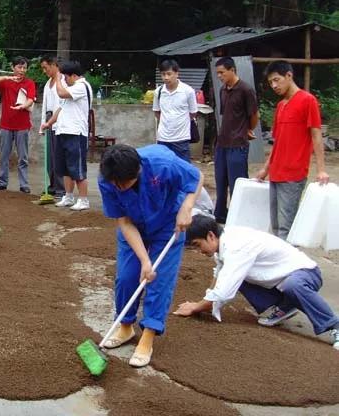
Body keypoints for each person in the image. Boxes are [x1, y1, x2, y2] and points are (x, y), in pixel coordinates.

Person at [98, 144, 203, 367]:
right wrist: (145, 261)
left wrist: (187, 206)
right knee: (127, 277)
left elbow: (196, 176)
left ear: (138, 171)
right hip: (133, 225)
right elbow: (124, 222)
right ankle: (125, 327)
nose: (120, 188)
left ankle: (148, 337)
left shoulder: (163, 163)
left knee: (160, 280)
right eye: (116, 184)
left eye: (124, 183)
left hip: (168, 226)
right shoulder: (107, 179)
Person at [175, 215, 339, 350]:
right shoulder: (224, 240)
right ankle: (285, 307)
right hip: (281, 279)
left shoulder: (236, 247)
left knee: (292, 286)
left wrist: (196, 307)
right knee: (234, 276)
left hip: (306, 274)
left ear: (211, 235)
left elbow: (223, 293)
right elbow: (219, 274)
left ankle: (335, 326)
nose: (199, 251)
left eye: (198, 245)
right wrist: (202, 300)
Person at [255, 60, 330, 239]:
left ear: (289, 76)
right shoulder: (281, 106)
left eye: (277, 80)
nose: (274, 85)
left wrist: (321, 170)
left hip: (293, 174)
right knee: (275, 226)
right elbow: (277, 141)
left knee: (286, 229)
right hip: (276, 172)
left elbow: (316, 136)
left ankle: (289, 265)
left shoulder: (307, 100)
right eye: (271, 82)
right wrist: (266, 168)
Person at [40, 61, 93, 211]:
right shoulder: (70, 88)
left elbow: (61, 93)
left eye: (65, 77)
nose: (64, 80)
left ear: (74, 76)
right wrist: (48, 123)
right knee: (64, 168)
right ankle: (68, 196)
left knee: (77, 169)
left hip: (76, 133)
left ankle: (83, 200)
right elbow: (60, 109)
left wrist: (57, 79)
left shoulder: (81, 86)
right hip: (62, 131)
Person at [213, 57, 259, 223]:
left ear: (232, 70)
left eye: (222, 72)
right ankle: (220, 215)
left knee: (236, 183)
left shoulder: (246, 90)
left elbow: (254, 116)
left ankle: (238, 216)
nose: (219, 76)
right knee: (220, 181)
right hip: (222, 143)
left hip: (238, 144)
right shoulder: (223, 90)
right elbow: (226, 115)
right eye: (217, 73)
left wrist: (247, 130)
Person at [0, 56, 37, 193]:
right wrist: (8, 78)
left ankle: (24, 184)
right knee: (4, 155)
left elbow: (30, 100)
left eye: (24, 67)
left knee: (23, 157)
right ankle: (2, 182)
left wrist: (22, 106)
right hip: (6, 125)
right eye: (19, 67)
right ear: (13, 68)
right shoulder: (6, 82)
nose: (22, 70)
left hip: (23, 125)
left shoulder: (29, 83)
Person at [152, 59, 198, 162]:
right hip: (163, 138)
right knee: (164, 168)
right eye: (163, 74)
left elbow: (193, 112)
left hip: (181, 139)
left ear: (177, 73)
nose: (166, 77)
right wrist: (167, 122)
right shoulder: (158, 92)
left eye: (169, 74)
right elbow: (157, 112)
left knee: (183, 169)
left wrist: (180, 122)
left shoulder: (188, 91)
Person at [38, 55, 65, 198]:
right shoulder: (48, 82)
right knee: (50, 158)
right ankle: (53, 185)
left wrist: (54, 121)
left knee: (58, 156)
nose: (44, 71)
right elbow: (44, 106)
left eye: (45, 68)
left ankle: (61, 188)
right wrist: (43, 124)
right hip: (49, 118)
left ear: (54, 65)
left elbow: (62, 106)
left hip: (59, 121)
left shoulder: (63, 81)